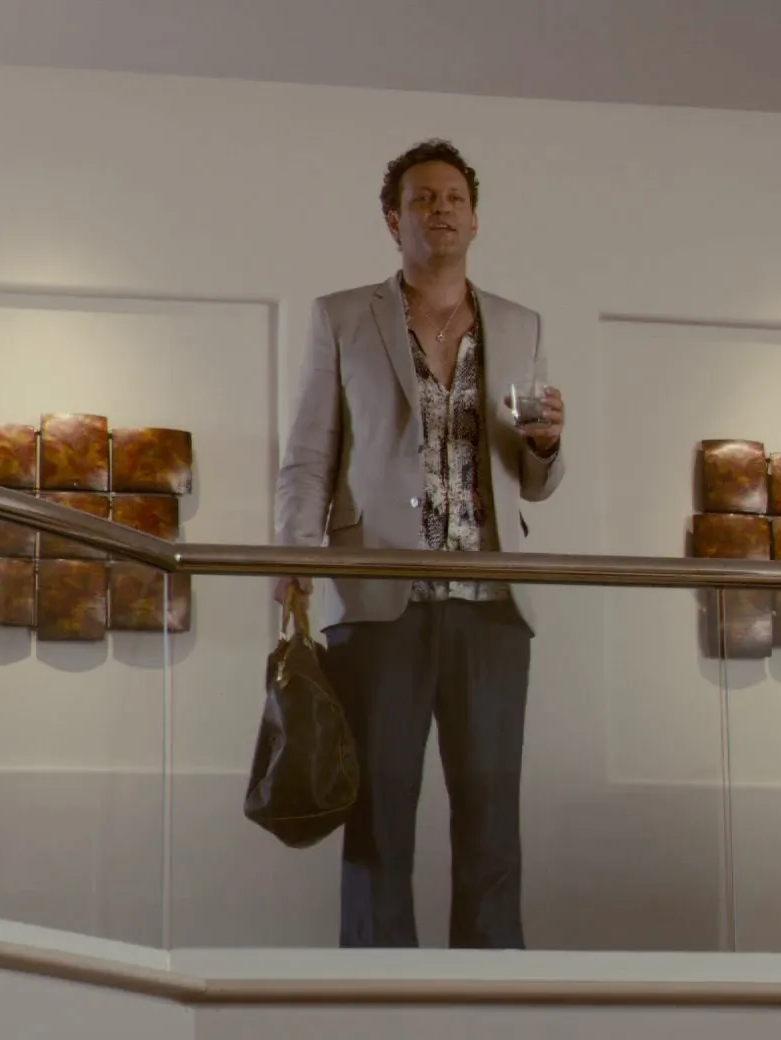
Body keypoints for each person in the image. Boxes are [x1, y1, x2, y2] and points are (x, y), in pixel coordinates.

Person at [273, 138, 565, 949]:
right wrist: (292, 559)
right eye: (423, 199)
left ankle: (492, 996)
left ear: (475, 219)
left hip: (492, 606)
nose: (441, 210)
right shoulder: (341, 316)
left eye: (454, 198)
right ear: (392, 219)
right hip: (379, 602)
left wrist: (545, 445)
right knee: (378, 822)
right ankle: (376, 1000)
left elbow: (534, 482)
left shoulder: (520, 324)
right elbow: (308, 456)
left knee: (492, 828)